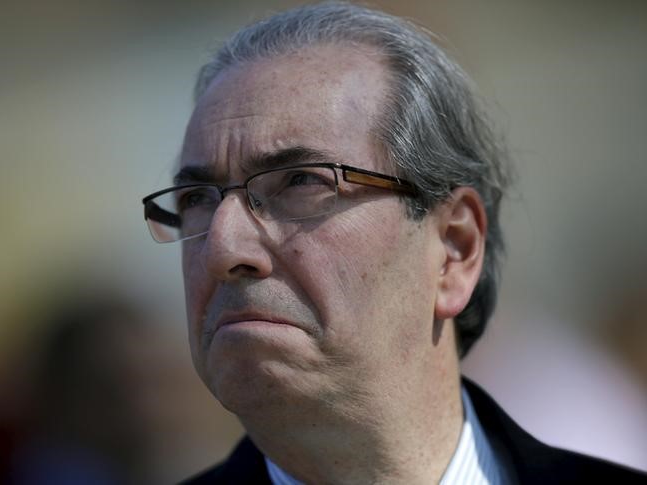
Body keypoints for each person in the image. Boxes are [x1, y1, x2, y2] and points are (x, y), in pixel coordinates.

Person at [142, 2, 646, 483]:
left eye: (299, 182)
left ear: (454, 248)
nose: (223, 248)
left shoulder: (576, 403)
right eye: (198, 199)